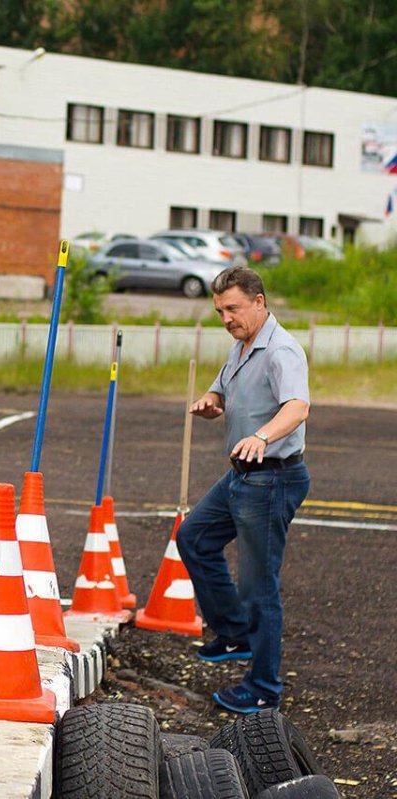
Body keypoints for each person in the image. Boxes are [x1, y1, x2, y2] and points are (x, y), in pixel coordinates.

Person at [177, 266, 310, 714]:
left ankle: (264, 687)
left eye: (232, 308)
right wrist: (211, 402)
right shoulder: (241, 346)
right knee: (194, 537)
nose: (226, 318)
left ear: (259, 301)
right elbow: (221, 390)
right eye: (219, 311)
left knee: (258, 586)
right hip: (242, 474)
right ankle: (235, 634)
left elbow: (298, 406)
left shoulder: (282, 351)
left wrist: (262, 436)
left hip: (273, 477)